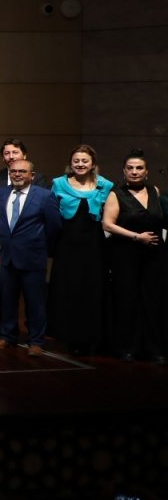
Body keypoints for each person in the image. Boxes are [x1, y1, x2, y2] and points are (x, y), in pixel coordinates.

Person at [0, 159, 61, 357]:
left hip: (33, 258)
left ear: (32, 175)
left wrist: (40, 246)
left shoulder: (45, 196)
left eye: (22, 171)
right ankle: (7, 336)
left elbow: (54, 226)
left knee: (35, 302)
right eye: (14, 171)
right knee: (7, 300)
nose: (17, 174)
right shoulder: (1, 193)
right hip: (7, 258)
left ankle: (36, 341)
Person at [48, 145, 114, 355]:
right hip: (66, 247)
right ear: (70, 163)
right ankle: (71, 337)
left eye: (85, 161)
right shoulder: (58, 183)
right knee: (69, 290)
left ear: (93, 164)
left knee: (92, 290)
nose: (80, 164)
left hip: (94, 247)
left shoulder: (106, 185)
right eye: (76, 160)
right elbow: (51, 215)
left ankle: (91, 337)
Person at [101, 150, 165, 363]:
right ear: (124, 171)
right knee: (127, 299)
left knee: (153, 300)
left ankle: (154, 348)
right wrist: (137, 237)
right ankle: (127, 346)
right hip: (126, 254)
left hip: (154, 255)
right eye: (130, 168)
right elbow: (107, 224)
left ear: (146, 171)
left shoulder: (154, 191)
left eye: (139, 168)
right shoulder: (116, 194)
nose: (135, 172)